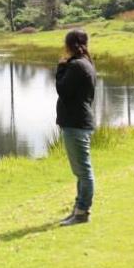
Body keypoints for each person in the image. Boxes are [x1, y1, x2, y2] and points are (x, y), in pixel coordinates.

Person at [55, 28, 97, 226]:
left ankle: (81, 213)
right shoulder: (85, 63)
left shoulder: (76, 66)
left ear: (69, 45)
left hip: (76, 123)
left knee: (84, 172)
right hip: (78, 122)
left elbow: (62, 90)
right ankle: (78, 209)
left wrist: (61, 67)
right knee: (81, 171)